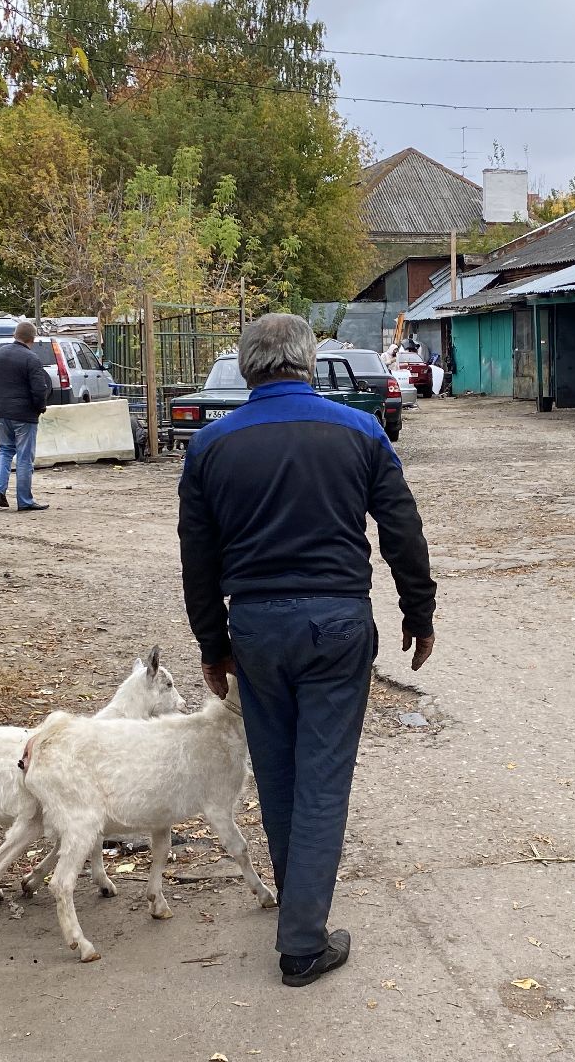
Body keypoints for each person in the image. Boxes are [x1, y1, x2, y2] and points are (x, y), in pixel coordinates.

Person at [178, 313, 436, 988]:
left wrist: (213, 642)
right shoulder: (359, 431)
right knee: (322, 778)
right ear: (308, 363)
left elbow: (197, 558)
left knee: (281, 773)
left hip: (257, 629)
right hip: (336, 625)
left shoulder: (210, 446)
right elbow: (401, 528)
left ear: (247, 367)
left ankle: (299, 910)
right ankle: (301, 943)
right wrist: (419, 610)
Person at [0, 320, 50, 512]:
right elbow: (39, 389)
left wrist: (1, 401)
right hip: (25, 416)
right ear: (33, 338)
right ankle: (24, 500)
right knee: (24, 458)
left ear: (15, 335)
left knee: (5, 450)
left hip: (3, 413)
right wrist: (40, 407)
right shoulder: (32, 359)